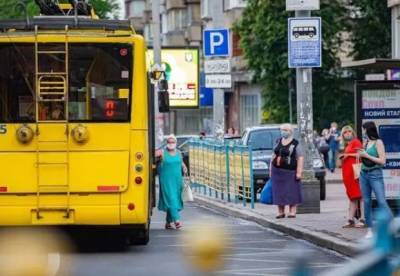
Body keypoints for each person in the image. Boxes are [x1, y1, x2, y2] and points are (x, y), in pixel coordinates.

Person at [358, 121, 392, 239]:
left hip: (375, 174)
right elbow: (365, 159)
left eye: (363, 129)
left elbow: (383, 161)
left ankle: (393, 226)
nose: (362, 132)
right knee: (366, 202)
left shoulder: (378, 142)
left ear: (368, 130)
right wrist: (360, 155)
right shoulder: (366, 142)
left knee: (381, 201)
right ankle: (370, 229)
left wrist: (366, 155)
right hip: (363, 174)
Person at [270, 124, 304, 219]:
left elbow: (300, 157)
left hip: (290, 171)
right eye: (282, 130)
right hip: (277, 171)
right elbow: (273, 155)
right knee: (279, 192)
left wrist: (299, 172)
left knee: (292, 191)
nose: (283, 132)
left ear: (290, 131)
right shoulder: (278, 141)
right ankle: (280, 212)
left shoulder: (295, 143)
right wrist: (270, 170)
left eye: (285, 130)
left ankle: (292, 211)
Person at [155, 134, 188, 230]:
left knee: (176, 199)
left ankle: (168, 223)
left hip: (177, 180)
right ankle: (177, 220)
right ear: (166, 143)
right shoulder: (162, 152)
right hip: (166, 181)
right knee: (171, 199)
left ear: (176, 143)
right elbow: (150, 156)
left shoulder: (178, 153)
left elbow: (181, 162)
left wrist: (184, 167)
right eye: (169, 142)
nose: (170, 144)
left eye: (172, 142)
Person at [339, 126, 365, 228]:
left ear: (353, 133)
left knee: (359, 195)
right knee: (353, 196)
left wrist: (348, 155)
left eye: (349, 131)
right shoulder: (348, 144)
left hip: (355, 172)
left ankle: (362, 218)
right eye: (345, 132)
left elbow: (361, 154)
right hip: (349, 174)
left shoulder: (356, 142)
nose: (347, 133)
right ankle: (350, 219)